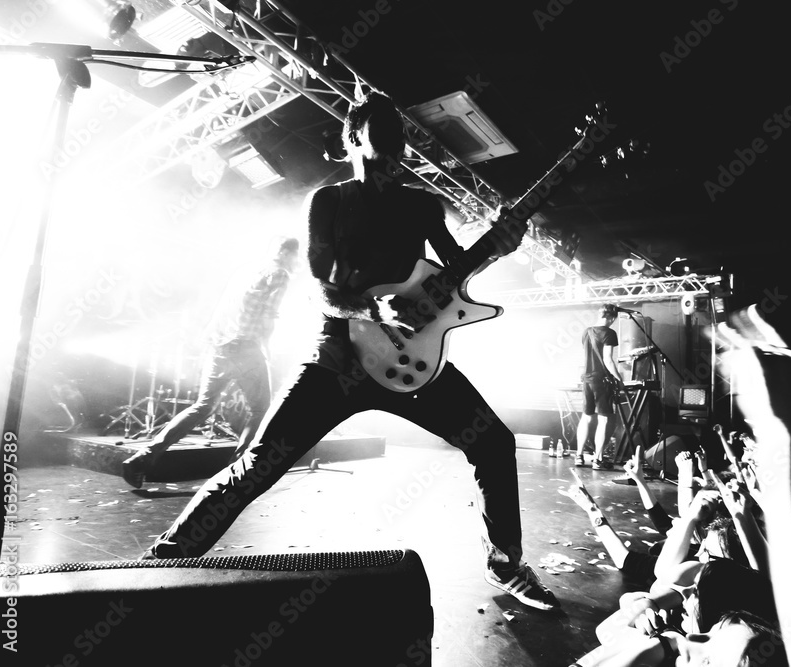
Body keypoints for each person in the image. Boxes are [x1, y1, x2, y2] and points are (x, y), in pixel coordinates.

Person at [138, 92, 558, 611]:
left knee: (493, 443)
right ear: (354, 137)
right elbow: (318, 288)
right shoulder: (329, 202)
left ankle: (505, 564)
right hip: (337, 357)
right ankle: (162, 561)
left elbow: (456, 273)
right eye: (384, 129)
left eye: (401, 132)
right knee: (260, 464)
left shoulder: (423, 205)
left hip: (414, 364)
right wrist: (375, 312)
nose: (398, 142)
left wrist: (500, 244)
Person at [121, 237, 299, 488]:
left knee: (202, 406)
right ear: (287, 253)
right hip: (245, 347)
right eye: (296, 256)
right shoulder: (279, 274)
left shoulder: (247, 269)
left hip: (219, 345)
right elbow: (268, 317)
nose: (298, 262)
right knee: (260, 410)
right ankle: (236, 475)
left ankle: (142, 458)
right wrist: (268, 350)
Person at [575, 303, 625, 469]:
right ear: (611, 317)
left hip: (587, 380)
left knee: (586, 417)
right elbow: (608, 360)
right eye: (613, 320)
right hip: (601, 381)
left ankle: (579, 456)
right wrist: (619, 380)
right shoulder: (610, 333)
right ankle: (597, 459)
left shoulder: (586, 331)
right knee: (603, 419)